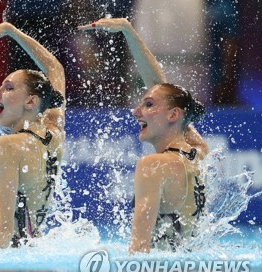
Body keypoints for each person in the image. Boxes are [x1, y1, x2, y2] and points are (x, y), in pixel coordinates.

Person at [79, 18, 209, 253]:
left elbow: (140, 249)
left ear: (173, 115)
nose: (135, 111)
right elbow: (168, 93)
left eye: (148, 105)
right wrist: (129, 33)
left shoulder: (154, 165)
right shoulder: (199, 154)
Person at [0, 22, 66, 248]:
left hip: (10, 264)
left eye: (8, 88)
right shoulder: (53, 135)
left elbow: (4, 228)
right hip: (32, 256)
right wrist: (11, 32)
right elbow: (56, 70)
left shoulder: (7, 145)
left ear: (31, 101)